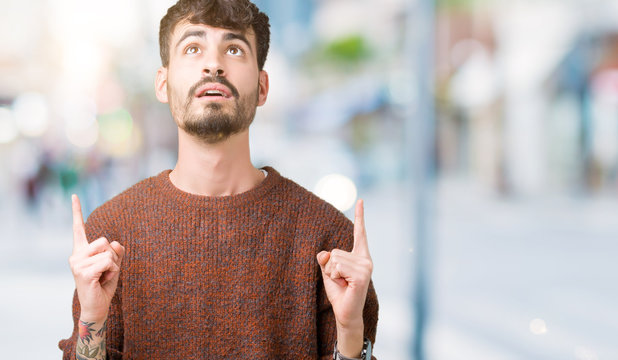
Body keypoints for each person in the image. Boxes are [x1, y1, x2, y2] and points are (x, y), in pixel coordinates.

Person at [58, 0, 379, 359]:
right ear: (162, 84)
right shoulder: (111, 235)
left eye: (234, 49)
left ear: (262, 86)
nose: (213, 64)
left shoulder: (329, 243)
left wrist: (351, 334)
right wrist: (92, 317)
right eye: (193, 48)